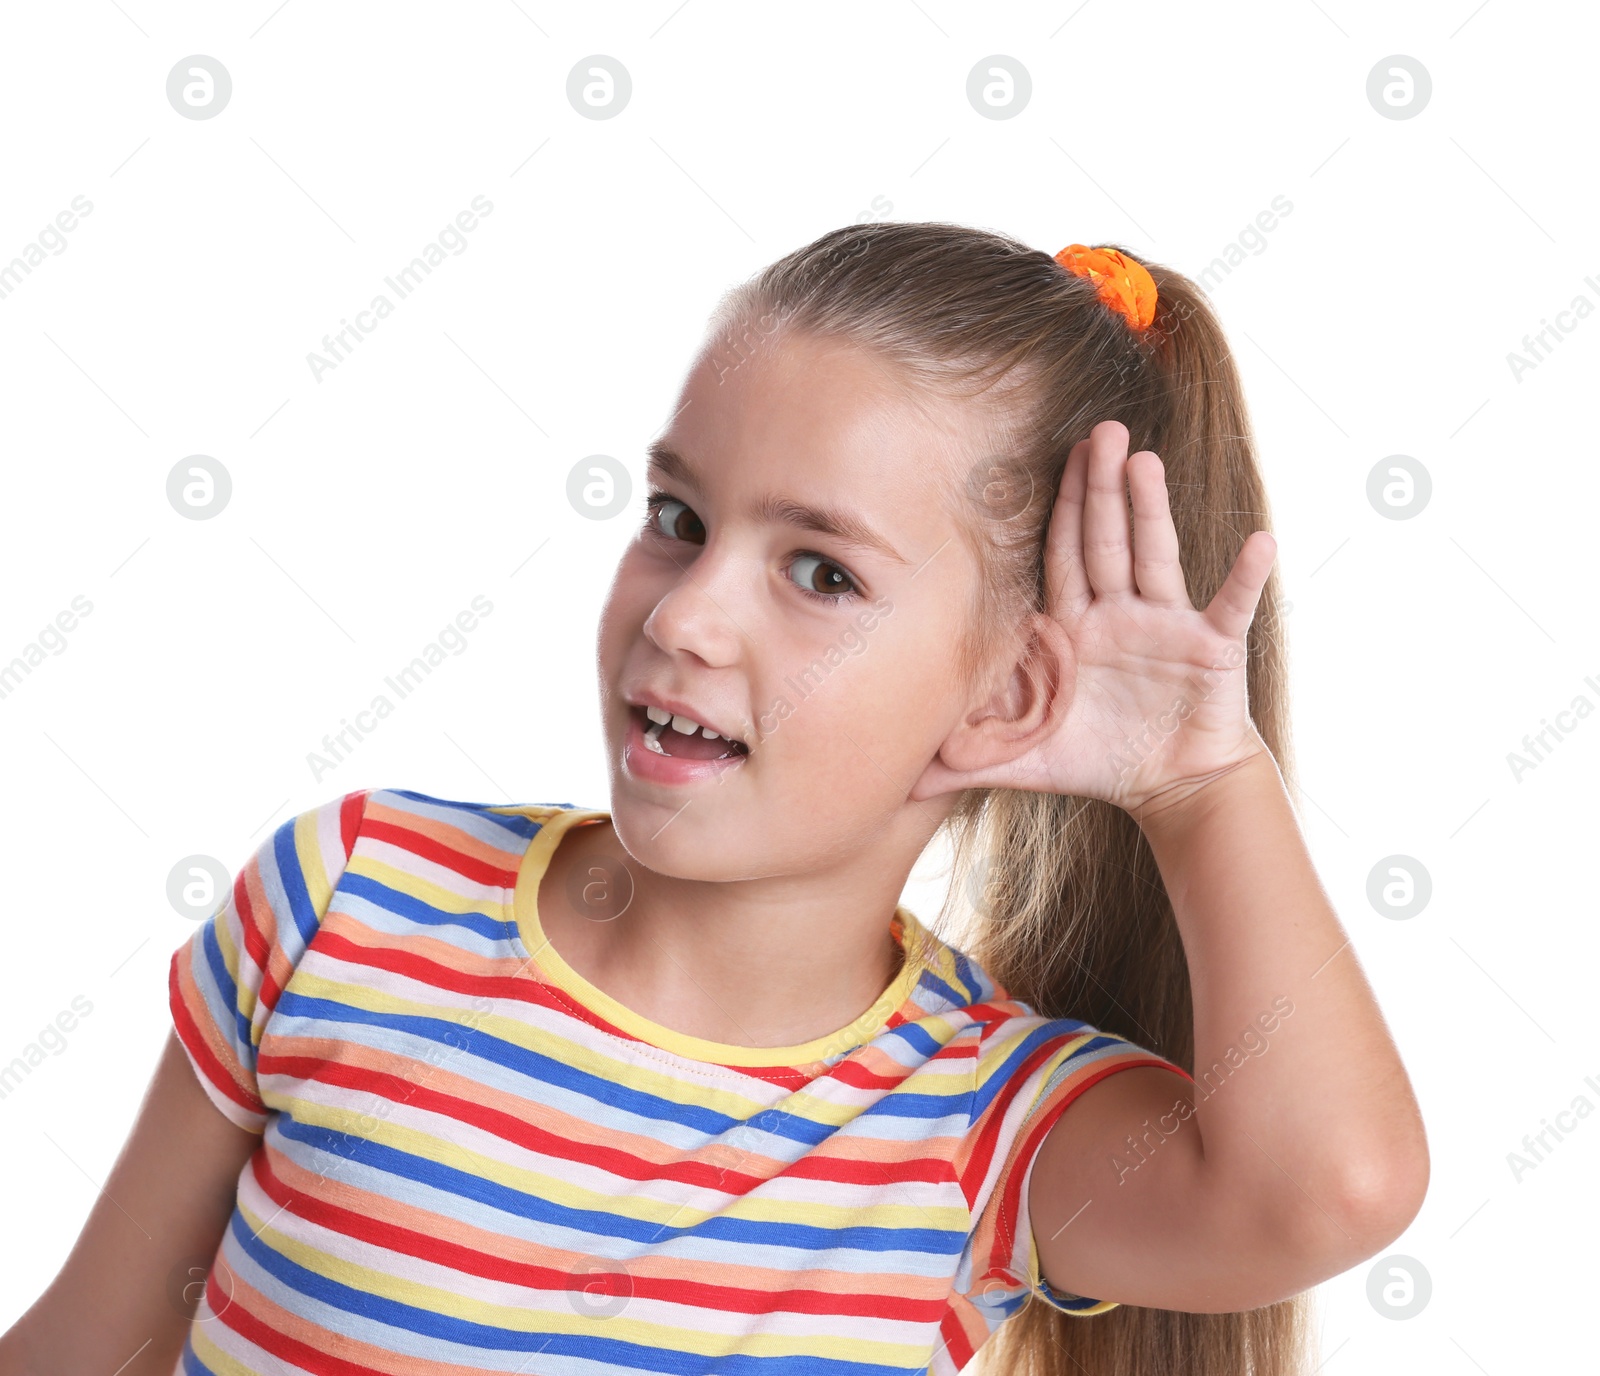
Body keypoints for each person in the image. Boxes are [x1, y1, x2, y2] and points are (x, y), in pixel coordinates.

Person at [0, 223, 1428, 1376]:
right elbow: (81, 1350)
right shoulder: (356, 897)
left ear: (1006, 698)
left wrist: (1201, 785)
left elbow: (1336, 1188)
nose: (686, 615)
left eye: (821, 573)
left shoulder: (977, 1133)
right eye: (678, 518)